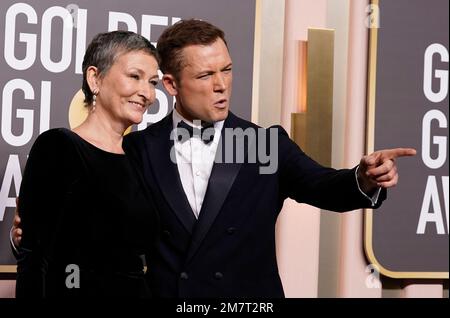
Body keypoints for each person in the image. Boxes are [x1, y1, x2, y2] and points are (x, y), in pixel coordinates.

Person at [13, 19, 416, 298]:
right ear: (170, 84)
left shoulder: (265, 144)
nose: (222, 85)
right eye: (206, 76)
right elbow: (100, 236)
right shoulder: (136, 149)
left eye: (227, 70)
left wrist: (364, 178)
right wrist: (31, 237)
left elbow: (326, 186)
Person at [13, 30, 160, 298]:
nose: (146, 93)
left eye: (153, 82)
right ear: (95, 78)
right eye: (135, 76)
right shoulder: (58, 147)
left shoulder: (139, 158)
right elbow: (35, 261)